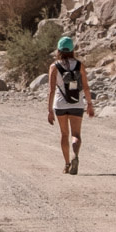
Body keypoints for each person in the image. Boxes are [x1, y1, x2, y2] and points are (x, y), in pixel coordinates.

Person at [46, 35, 96, 174]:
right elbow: (85, 87)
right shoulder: (79, 65)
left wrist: (49, 111)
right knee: (76, 135)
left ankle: (67, 164)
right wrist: (90, 104)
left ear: (59, 50)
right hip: (77, 103)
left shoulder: (54, 66)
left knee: (64, 134)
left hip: (60, 104)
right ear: (72, 49)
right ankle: (75, 155)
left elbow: (51, 90)